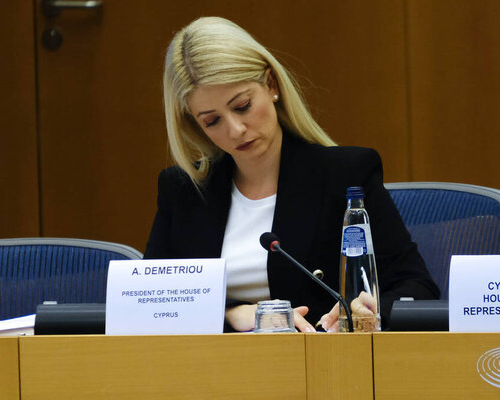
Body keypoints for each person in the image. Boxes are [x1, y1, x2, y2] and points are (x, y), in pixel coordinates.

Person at [144, 16, 439, 332]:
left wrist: (363, 310)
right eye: (212, 121)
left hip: (319, 365)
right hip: (214, 370)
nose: (235, 129)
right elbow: (152, 304)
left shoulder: (345, 174)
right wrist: (232, 315)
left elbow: (416, 288)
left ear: (271, 85)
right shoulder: (184, 191)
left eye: (242, 105)